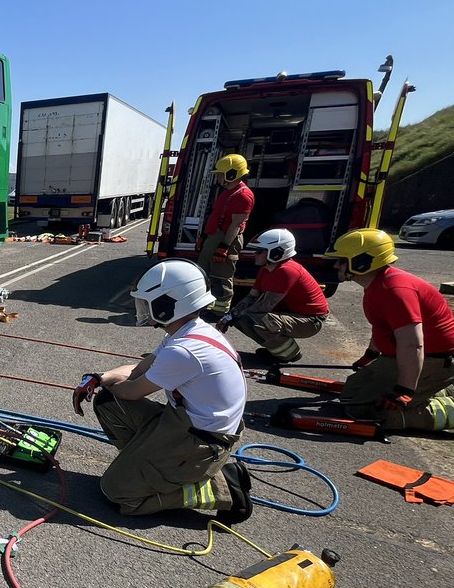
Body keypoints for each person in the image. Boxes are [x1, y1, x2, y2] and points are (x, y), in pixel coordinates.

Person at [71, 259, 252, 522]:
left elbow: (133, 390)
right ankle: (147, 468)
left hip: (202, 441)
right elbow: (140, 368)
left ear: (169, 304)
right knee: (108, 401)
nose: (143, 308)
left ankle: (223, 488)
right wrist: (100, 378)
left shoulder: (185, 351)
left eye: (148, 302)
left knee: (117, 493)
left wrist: (110, 383)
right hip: (185, 424)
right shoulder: (187, 332)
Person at [323, 228, 454, 433]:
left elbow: (412, 344)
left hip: (437, 360)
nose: (336, 265)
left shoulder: (395, 291)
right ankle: (437, 387)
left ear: (362, 262)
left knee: (369, 412)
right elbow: (382, 325)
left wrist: (404, 390)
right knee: (351, 395)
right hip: (409, 357)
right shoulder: (377, 284)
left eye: (342, 260)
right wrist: (370, 355)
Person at [216, 228, 329, 363]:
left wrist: (236, 315)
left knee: (252, 319)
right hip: (298, 315)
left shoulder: (286, 271)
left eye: (259, 251)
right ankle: (277, 351)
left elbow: (264, 306)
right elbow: (251, 297)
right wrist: (230, 316)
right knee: (242, 318)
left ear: (276, 253)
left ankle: (290, 354)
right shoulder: (266, 270)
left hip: (311, 321)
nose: (255, 255)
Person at [196, 153, 255, 317]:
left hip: (226, 238)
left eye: (221, 174)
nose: (218, 178)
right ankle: (208, 305)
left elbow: (235, 224)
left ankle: (220, 312)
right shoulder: (228, 192)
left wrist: (224, 247)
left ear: (231, 174)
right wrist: (204, 236)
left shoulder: (243, 195)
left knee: (221, 275)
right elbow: (216, 215)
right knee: (204, 271)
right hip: (215, 236)